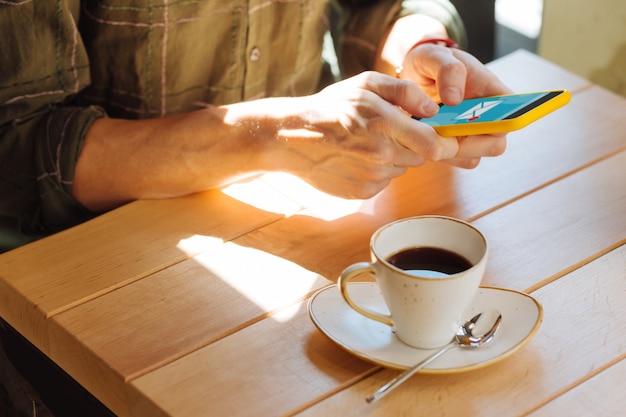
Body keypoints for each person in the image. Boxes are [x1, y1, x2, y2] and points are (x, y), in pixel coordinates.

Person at [0, 0, 510, 253]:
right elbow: (14, 148)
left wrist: (422, 49)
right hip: (92, 260)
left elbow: (372, 6)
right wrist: (277, 135)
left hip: (302, 222)